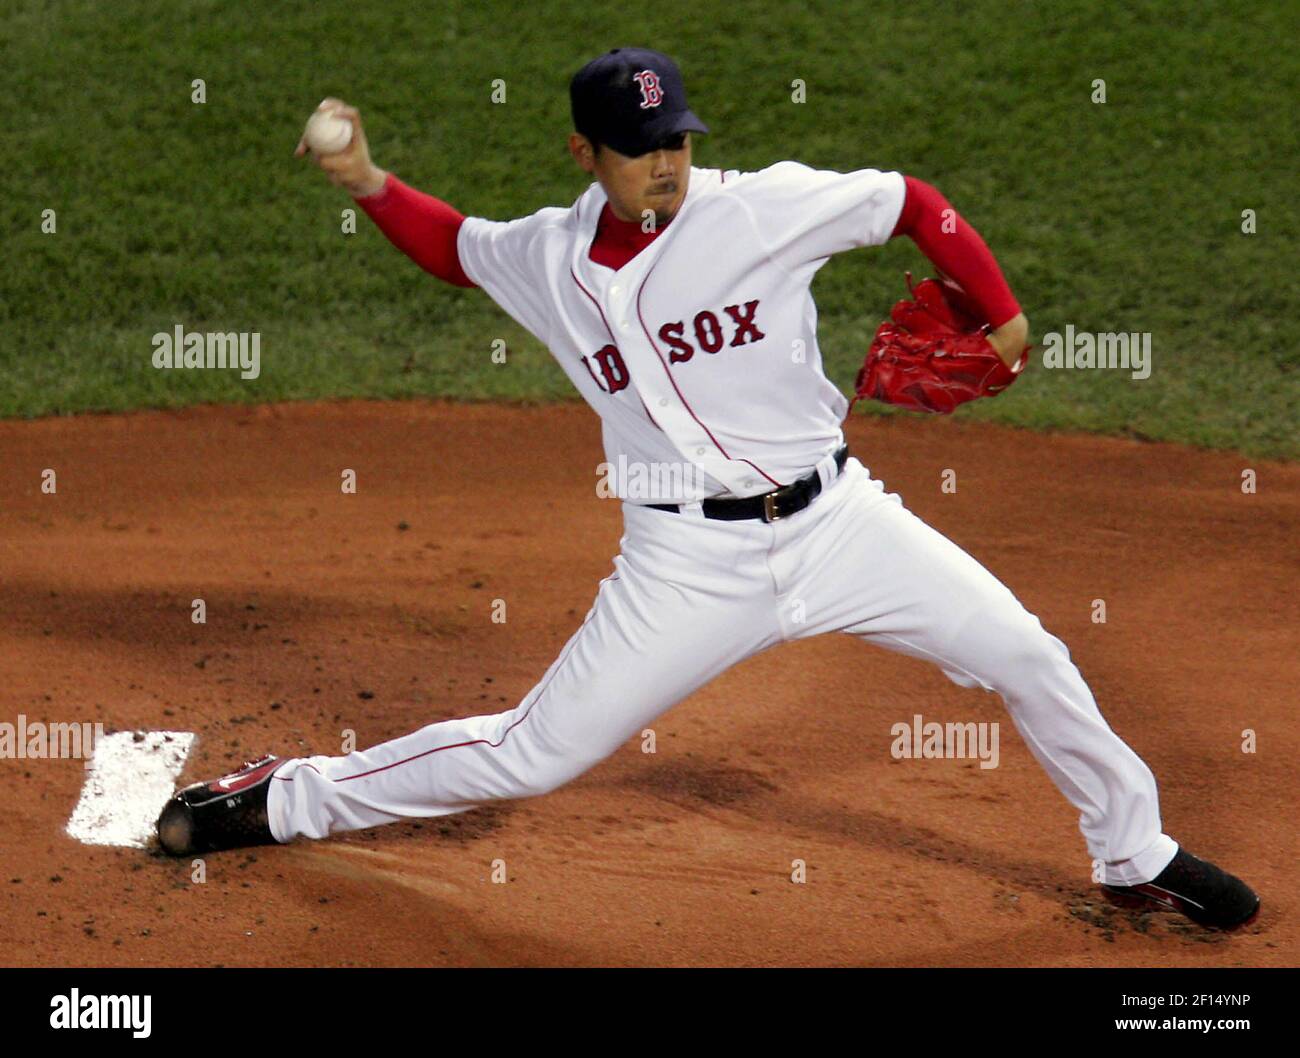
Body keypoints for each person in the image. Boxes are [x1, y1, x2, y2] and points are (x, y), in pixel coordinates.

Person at [157, 48, 1259, 931]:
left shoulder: (763, 209)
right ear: (586, 152)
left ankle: (1136, 854)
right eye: (639, 150)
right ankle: (277, 796)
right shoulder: (548, 257)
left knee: (1029, 655)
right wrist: (365, 182)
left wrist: (1004, 313)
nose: (666, 165)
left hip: (841, 521)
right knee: (532, 752)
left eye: (676, 139)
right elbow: (458, 248)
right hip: (685, 564)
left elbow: (912, 202)